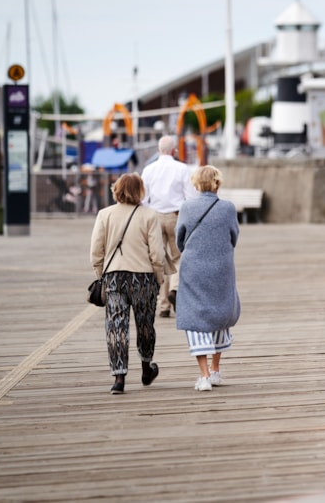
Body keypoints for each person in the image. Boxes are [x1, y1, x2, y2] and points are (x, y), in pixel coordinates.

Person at [90, 173, 166, 395]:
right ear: (140, 190)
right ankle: (146, 368)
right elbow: (157, 254)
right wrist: (159, 279)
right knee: (145, 324)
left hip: (114, 276)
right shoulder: (150, 215)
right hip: (143, 277)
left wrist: (101, 274)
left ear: (117, 190)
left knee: (116, 326)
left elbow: (96, 252)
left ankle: (119, 378)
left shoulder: (104, 215)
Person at [175, 165, 241, 392]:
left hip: (194, 268)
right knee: (220, 313)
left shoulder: (187, 207)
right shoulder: (228, 208)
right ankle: (215, 370)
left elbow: (179, 240)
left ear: (196, 184)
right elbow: (234, 236)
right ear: (217, 183)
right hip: (222, 267)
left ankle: (203, 376)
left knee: (195, 317)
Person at [142, 135, 197, 318]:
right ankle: (175, 289)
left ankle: (163, 305)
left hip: (155, 217)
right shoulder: (182, 169)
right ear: (174, 150)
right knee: (178, 257)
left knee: (161, 261)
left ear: (159, 150)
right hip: (176, 216)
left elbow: (143, 198)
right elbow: (190, 196)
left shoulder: (148, 170)